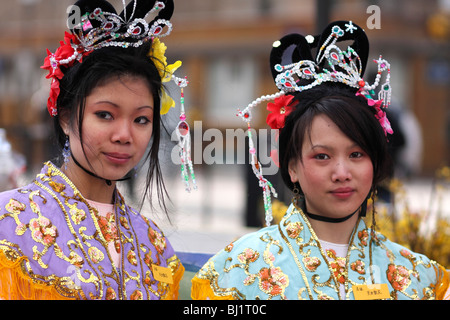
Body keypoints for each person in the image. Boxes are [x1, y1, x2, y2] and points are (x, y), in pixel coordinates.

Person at [191, 21, 449, 300]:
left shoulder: (419, 278)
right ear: (291, 166)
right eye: (322, 156)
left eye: (356, 154)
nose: (342, 172)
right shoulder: (238, 271)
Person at [0, 0, 193, 300]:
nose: (124, 135)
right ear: (65, 117)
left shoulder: (156, 246)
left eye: (141, 119)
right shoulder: (8, 223)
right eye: (105, 114)